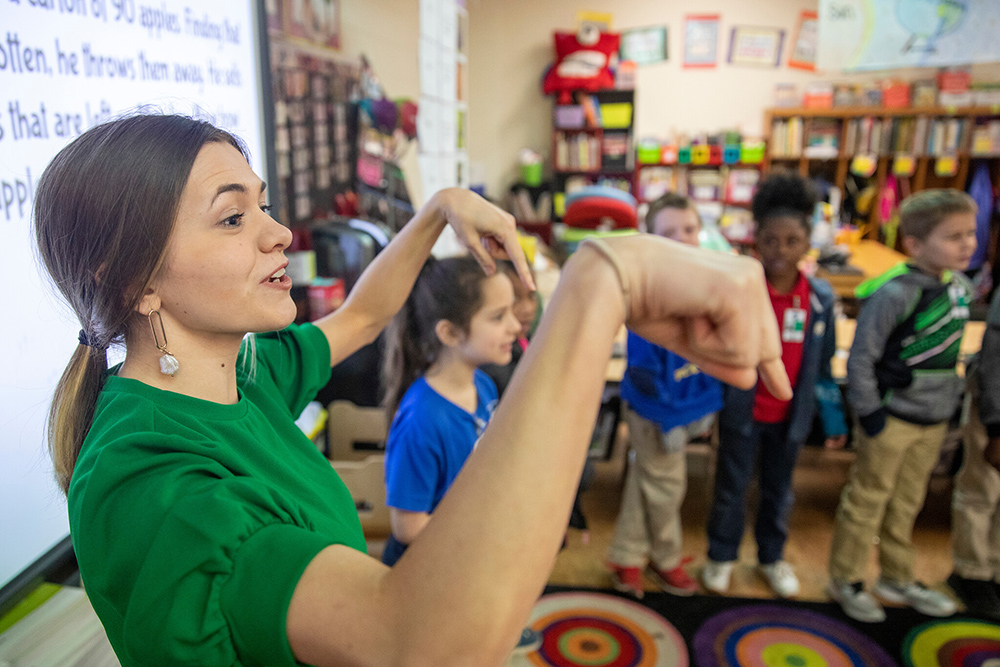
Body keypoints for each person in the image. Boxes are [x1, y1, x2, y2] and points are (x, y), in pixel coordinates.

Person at [34, 113, 789, 667]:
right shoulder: (150, 481)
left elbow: (362, 313)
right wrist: (598, 287)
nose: (278, 234)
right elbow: (411, 640)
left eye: (261, 204)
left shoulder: (242, 375)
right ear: (134, 279)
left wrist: (436, 211)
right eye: (233, 216)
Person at [828, 188, 977, 623]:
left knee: (908, 501)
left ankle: (897, 575)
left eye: (970, 234)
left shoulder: (961, 289)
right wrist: (870, 412)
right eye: (954, 236)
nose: (967, 244)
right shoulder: (894, 294)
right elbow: (862, 358)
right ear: (914, 244)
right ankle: (847, 578)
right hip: (890, 419)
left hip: (933, 421)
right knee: (868, 499)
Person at [703, 172, 846, 599]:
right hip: (742, 412)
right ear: (755, 240)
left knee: (779, 492)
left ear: (807, 243)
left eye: (792, 241)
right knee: (730, 488)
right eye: (770, 240)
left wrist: (833, 417)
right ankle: (721, 556)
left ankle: (771, 557)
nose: (780, 251)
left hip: (791, 419)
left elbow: (823, 367)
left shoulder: (819, 300)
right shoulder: (740, 293)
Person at [606, 193, 723, 598]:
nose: (682, 239)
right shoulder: (648, 296)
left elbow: (713, 355)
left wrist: (706, 406)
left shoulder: (707, 285)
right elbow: (644, 374)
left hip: (689, 407)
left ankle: (626, 556)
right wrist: (672, 418)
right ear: (650, 239)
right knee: (666, 487)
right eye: (669, 232)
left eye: (689, 229)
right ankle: (666, 558)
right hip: (656, 412)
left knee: (648, 479)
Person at [949, 286, 1000, 620]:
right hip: (995, 410)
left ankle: (995, 569)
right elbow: (995, 358)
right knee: (981, 491)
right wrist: (996, 425)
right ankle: (972, 573)